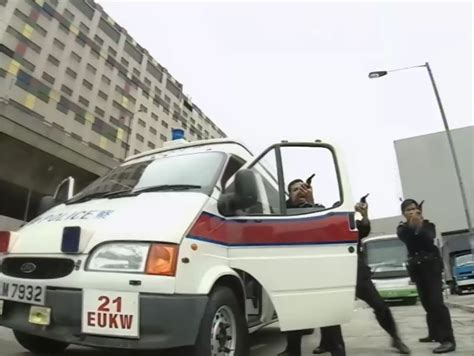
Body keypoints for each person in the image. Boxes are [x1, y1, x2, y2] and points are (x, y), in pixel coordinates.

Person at [312, 198, 410, 356]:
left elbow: (364, 228)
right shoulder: (326, 228)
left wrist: (364, 214)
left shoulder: (352, 227)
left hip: (358, 275)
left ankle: (395, 338)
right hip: (335, 275)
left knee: (380, 306)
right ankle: (326, 343)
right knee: (330, 312)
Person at [397, 199, 455, 354]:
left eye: (414, 209)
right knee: (427, 303)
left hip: (432, 267)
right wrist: (413, 225)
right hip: (417, 269)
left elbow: (427, 237)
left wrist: (419, 223)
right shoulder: (402, 228)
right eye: (408, 210)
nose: (412, 212)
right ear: (403, 213)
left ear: (420, 210)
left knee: (436, 302)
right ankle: (434, 333)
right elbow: (406, 238)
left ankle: (448, 339)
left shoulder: (429, 225)